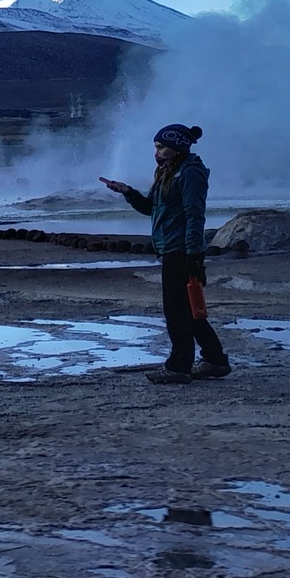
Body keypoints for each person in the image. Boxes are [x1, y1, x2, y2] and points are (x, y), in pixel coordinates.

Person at [100, 123, 232, 384]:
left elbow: (195, 216)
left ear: (176, 146)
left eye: (161, 147)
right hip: (171, 247)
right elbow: (152, 208)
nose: (157, 152)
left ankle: (178, 367)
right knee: (189, 309)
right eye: (156, 147)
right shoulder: (168, 172)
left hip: (181, 249)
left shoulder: (190, 174)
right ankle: (215, 360)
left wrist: (194, 256)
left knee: (176, 311)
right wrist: (129, 193)